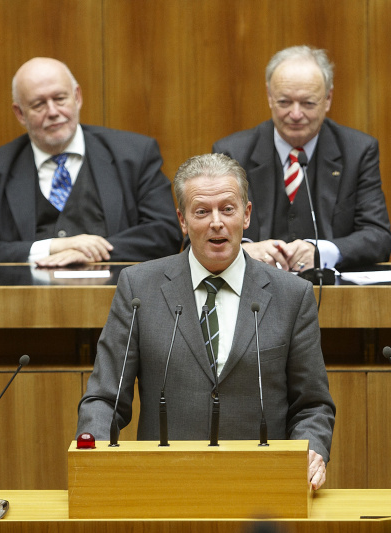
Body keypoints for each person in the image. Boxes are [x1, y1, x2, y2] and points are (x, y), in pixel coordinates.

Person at [76, 153, 336, 490]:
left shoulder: (292, 295)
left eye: (227, 209)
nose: (217, 222)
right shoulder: (140, 287)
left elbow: (312, 405)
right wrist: (92, 449)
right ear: (183, 221)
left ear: (246, 214)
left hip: (263, 487)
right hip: (164, 486)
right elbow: (105, 397)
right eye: (202, 211)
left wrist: (312, 451)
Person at [0, 57, 182, 266]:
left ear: (77, 97)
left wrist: (92, 252)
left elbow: (165, 232)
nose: (53, 112)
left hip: (118, 293)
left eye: (60, 98)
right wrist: (53, 246)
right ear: (20, 114)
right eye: (39, 105)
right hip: (27, 296)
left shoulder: (135, 154)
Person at [213, 45, 391, 272]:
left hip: (332, 293)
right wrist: (244, 251)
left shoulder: (357, 151)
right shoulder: (232, 153)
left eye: (308, 103)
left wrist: (322, 252)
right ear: (270, 96)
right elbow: (201, 237)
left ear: (327, 99)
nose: (296, 114)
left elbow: (378, 236)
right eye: (284, 102)